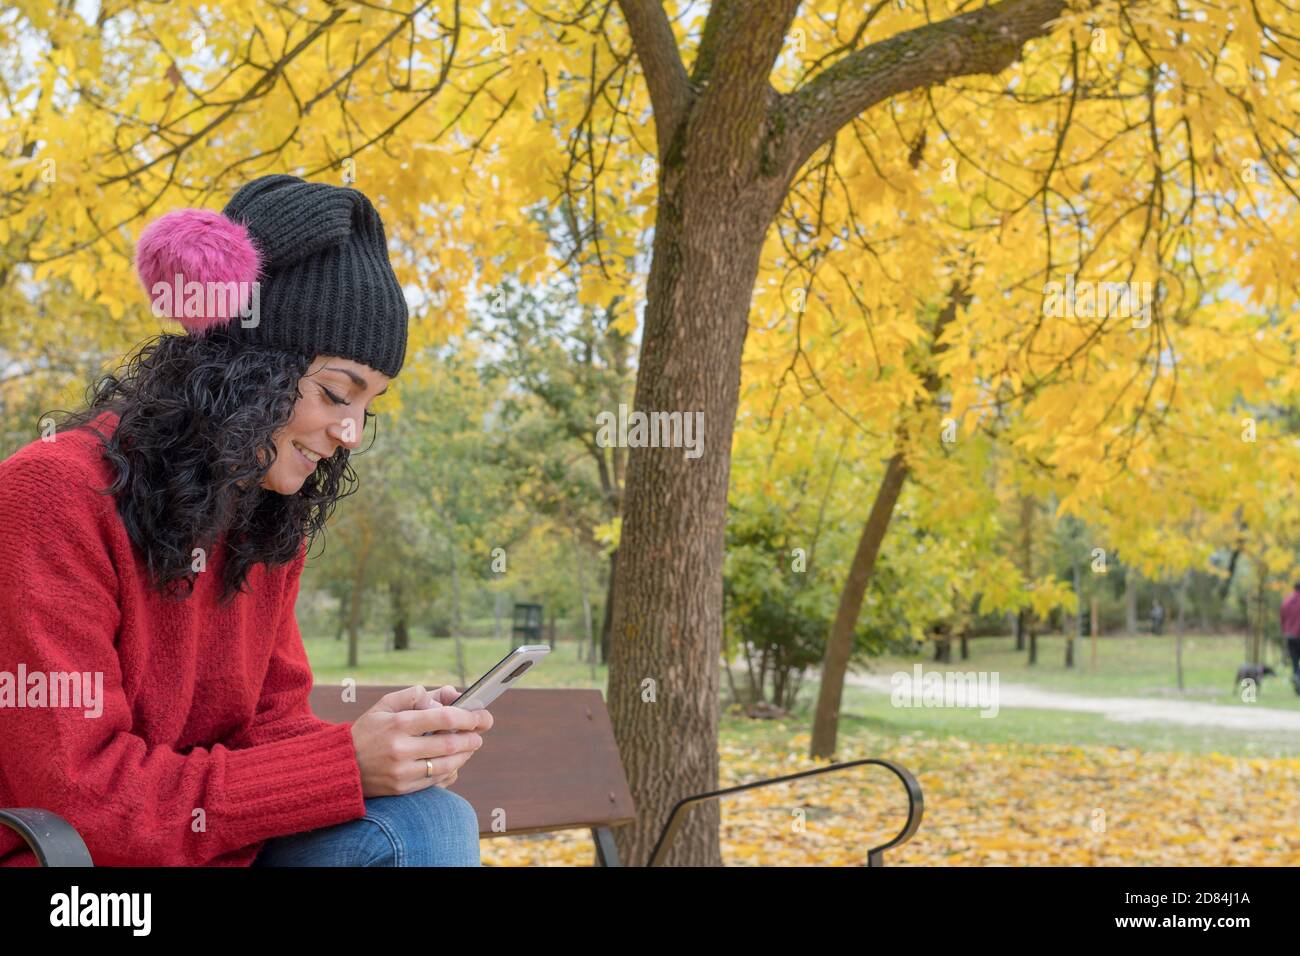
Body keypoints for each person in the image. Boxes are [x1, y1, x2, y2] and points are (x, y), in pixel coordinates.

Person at [0, 175, 492, 866]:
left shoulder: (261, 513)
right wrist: (342, 768)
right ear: (250, 368)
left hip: (220, 850)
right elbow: (80, 803)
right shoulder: (52, 493)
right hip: (85, 882)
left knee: (428, 818)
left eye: (368, 406)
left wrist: (389, 748)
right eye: (335, 393)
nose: (350, 433)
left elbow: (272, 724)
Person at [1282, 582, 1300, 695]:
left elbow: (1282, 618)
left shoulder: (1287, 601)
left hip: (1290, 636)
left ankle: (1296, 684)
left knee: (1294, 661)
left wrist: (1285, 631)